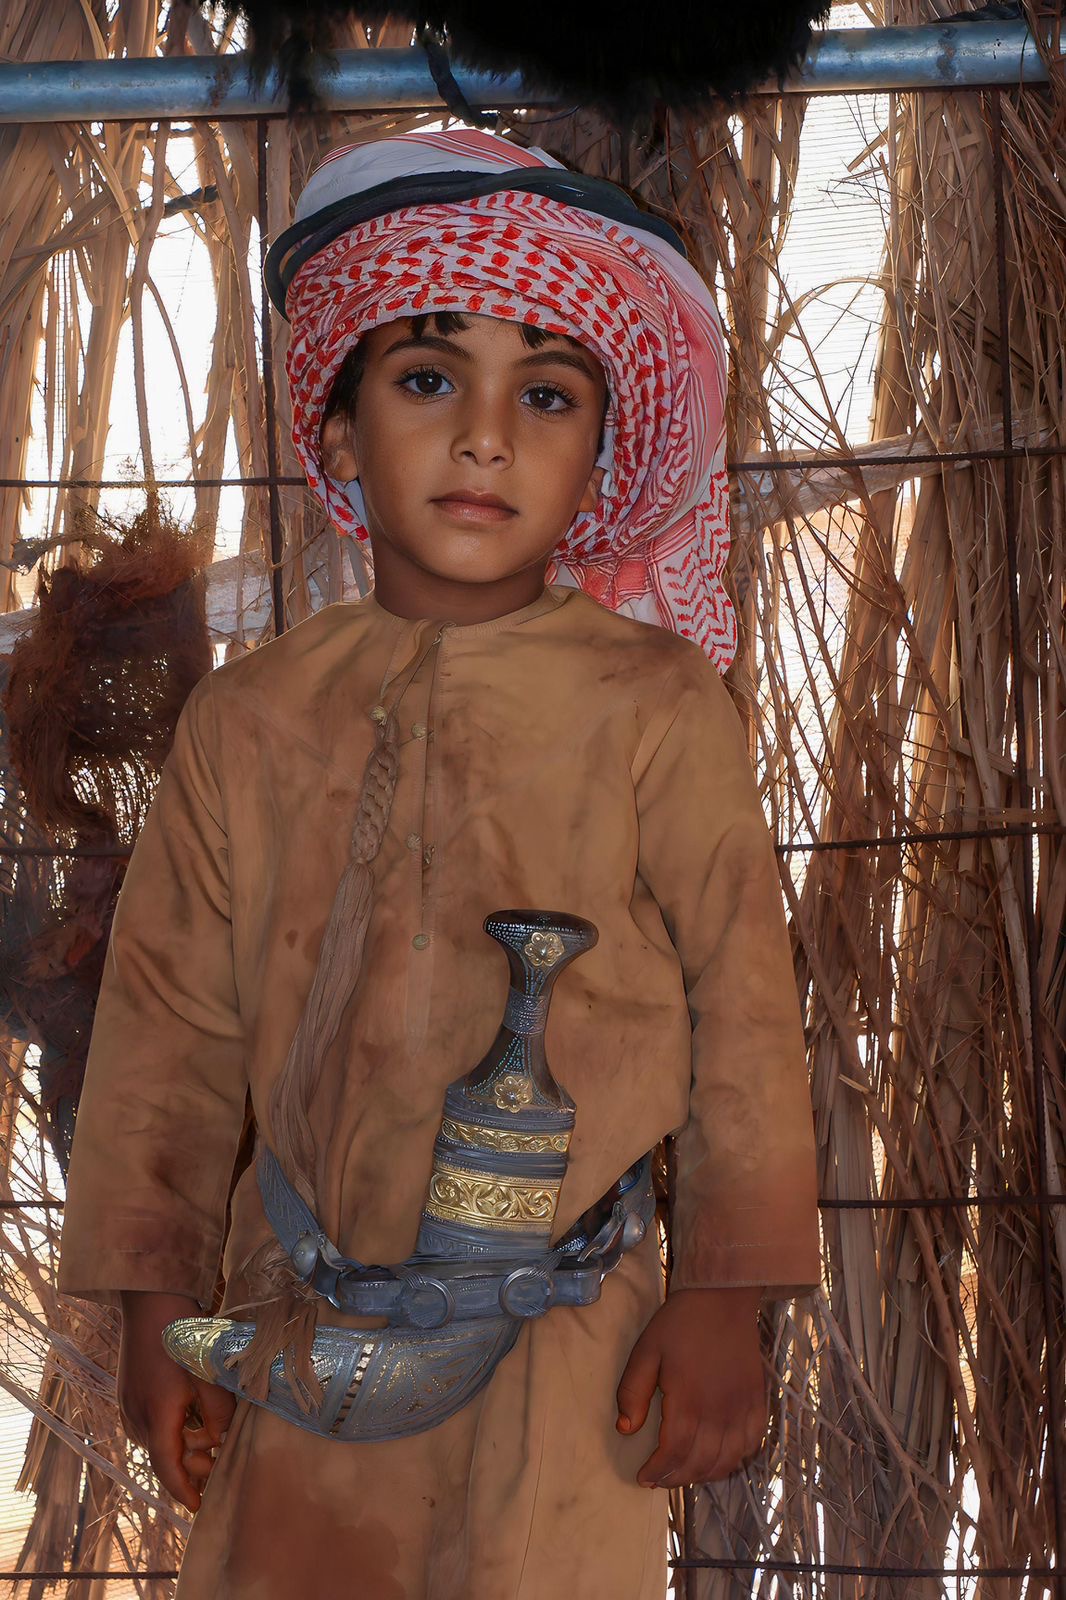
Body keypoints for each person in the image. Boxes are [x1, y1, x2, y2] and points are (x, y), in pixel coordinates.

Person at [58, 127, 820, 1599]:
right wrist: (155, 1303)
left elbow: (742, 1015)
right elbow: (169, 1035)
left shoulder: (657, 707)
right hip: (294, 1328)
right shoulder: (249, 721)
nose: (485, 439)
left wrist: (728, 1295)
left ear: (599, 455)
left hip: (569, 1344)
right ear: (339, 432)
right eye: (426, 380)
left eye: (546, 395)